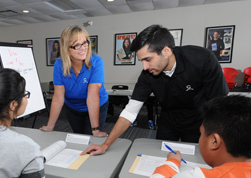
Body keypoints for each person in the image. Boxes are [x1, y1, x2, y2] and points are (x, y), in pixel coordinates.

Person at [82, 24, 228, 154]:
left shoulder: (203, 59)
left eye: (148, 59)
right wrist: (106, 145)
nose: (144, 67)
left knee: (195, 159)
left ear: (166, 51)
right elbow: (130, 111)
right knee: (161, 157)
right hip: (168, 118)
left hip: (199, 119)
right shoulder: (147, 74)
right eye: (141, 61)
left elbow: (219, 105)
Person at [40, 25, 109, 136]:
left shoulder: (96, 61)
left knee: (90, 137)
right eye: (76, 45)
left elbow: (92, 96)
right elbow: (58, 96)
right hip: (73, 107)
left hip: (96, 105)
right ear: (67, 48)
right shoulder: (59, 64)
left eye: (85, 43)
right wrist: (50, 126)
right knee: (79, 136)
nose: (83, 48)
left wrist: (96, 130)